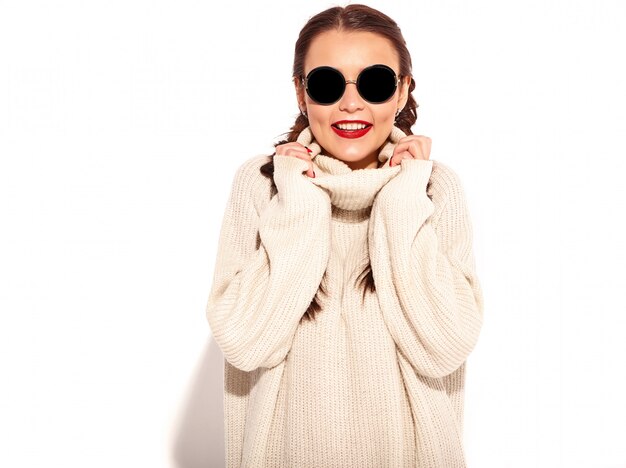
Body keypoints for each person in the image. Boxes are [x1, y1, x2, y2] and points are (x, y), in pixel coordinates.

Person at [205, 4, 484, 467]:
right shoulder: (264, 184)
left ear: (402, 92)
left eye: (374, 83)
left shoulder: (433, 188)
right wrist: (299, 202)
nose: (350, 104)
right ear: (301, 92)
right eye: (327, 84)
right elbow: (245, 341)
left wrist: (402, 198)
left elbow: (445, 346)